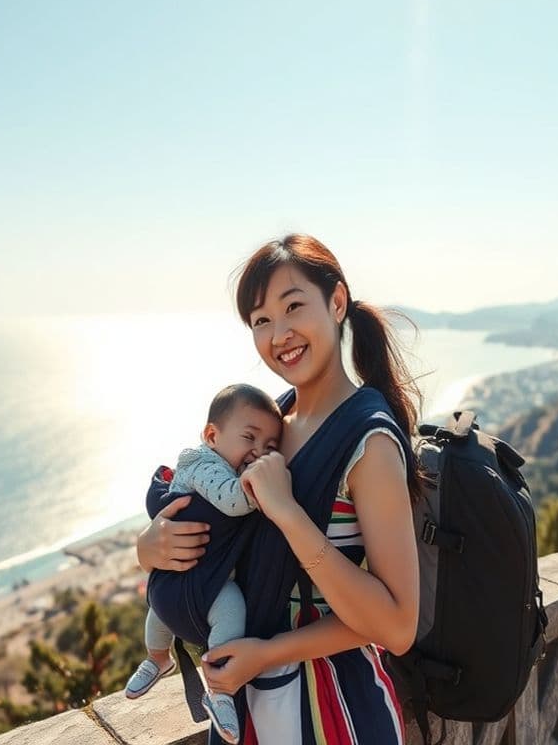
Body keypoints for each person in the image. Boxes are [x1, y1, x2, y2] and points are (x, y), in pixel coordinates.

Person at [135, 233, 421, 744]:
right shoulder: (275, 421)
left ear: (336, 303)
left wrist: (288, 514)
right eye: (261, 320)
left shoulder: (368, 442)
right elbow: (216, 526)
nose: (279, 333)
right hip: (251, 702)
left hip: (332, 709)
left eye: (293, 307)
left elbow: (397, 624)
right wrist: (150, 548)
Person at [126, 384, 283, 744]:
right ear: (212, 435)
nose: (256, 453)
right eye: (249, 439)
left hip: (209, 576)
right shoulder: (202, 464)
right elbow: (232, 501)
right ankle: (157, 658)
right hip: (183, 574)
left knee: (230, 608)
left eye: (269, 448)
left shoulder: (225, 462)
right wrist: (269, 480)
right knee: (159, 610)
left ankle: (220, 689)